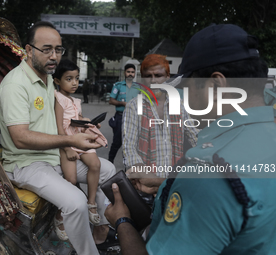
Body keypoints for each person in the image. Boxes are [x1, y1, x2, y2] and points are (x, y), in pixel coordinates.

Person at [105, 24, 276, 254]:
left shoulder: (208, 172)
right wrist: (166, 181)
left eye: (187, 87)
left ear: (215, 85)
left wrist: (122, 221)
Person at [0, 21, 117, 254]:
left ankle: (100, 230)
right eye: (46, 49)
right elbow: (20, 138)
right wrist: (70, 142)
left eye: (58, 49)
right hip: (27, 164)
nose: (54, 56)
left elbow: (56, 121)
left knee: (109, 171)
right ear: (29, 50)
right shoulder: (15, 84)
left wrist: (83, 127)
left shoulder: (47, 78)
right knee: (75, 202)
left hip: (54, 157)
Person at [123, 54, 198, 187]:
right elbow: (129, 148)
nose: (153, 81)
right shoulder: (134, 106)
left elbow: (194, 136)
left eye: (158, 76)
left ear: (167, 77)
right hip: (144, 184)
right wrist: (149, 178)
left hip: (174, 180)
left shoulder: (179, 105)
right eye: (148, 76)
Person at [53, 59, 108, 228]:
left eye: (76, 78)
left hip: (81, 139)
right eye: (69, 79)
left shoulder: (76, 101)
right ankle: (59, 215)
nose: (74, 82)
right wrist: (67, 148)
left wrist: (89, 123)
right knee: (71, 179)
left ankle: (91, 203)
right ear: (57, 81)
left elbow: (79, 121)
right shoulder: (58, 99)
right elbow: (58, 127)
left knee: (95, 165)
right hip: (67, 142)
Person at [108, 63, 140, 163]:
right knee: (117, 142)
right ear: (124, 73)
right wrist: (122, 103)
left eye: (132, 72)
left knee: (132, 143)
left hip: (134, 118)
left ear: (135, 74)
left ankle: (128, 166)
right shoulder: (118, 86)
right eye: (128, 72)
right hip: (120, 117)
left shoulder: (138, 87)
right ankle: (110, 162)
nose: (130, 74)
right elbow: (111, 100)